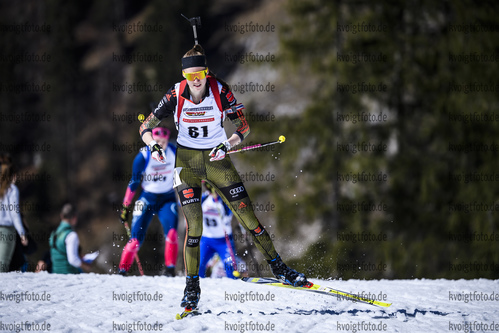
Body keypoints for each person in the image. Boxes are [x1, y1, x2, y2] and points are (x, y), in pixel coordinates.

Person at [138, 44, 307, 309]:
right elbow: (146, 126)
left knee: (249, 218)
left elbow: (244, 126)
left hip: (217, 160)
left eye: (199, 75)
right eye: (189, 76)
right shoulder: (176, 93)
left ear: (206, 72)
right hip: (187, 164)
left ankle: (280, 268)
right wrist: (154, 146)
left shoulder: (220, 90)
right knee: (195, 227)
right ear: (184, 76)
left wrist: (228, 144)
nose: (195, 81)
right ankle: (192, 287)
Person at [118, 126, 179, 276]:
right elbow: (133, 183)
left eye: (163, 142)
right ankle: (122, 270)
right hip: (147, 198)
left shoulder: (173, 152)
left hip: (167, 198)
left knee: (171, 234)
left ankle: (170, 270)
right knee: (135, 240)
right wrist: (125, 207)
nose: (161, 146)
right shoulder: (143, 156)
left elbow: (185, 172)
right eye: (157, 142)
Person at [199, 181, 238, 279]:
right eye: (208, 187)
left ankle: (234, 288)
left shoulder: (224, 201)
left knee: (229, 267)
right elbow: (183, 204)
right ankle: (198, 287)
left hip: (224, 241)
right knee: (199, 265)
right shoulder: (204, 199)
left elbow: (232, 213)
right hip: (206, 240)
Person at [0, 153, 28, 272]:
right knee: (3, 265)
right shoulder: (12, 190)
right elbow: (14, 213)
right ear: (12, 175)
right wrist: (22, 233)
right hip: (7, 231)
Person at [49, 203, 92, 274]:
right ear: (74, 217)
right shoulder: (71, 235)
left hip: (55, 274)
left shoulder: (54, 233)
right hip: (69, 275)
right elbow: (72, 260)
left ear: (61, 216)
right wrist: (86, 266)